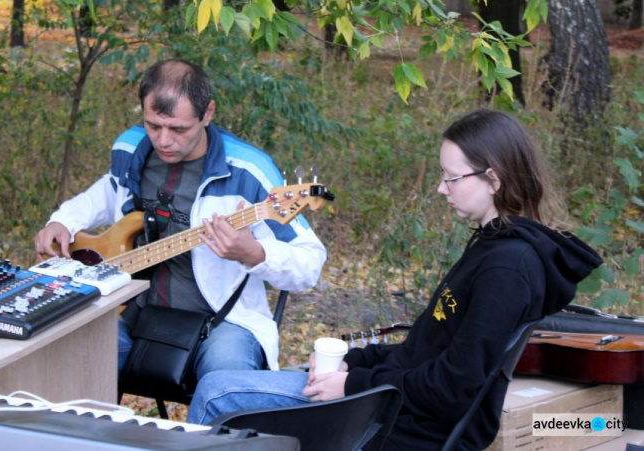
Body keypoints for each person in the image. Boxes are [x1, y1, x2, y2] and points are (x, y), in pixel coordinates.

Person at [186, 109, 603, 449]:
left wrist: (353, 384)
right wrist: (354, 361)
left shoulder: (508, 268)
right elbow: (425, 349)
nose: (442, 189)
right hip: (389, 401)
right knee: (224, 386)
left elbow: (453, 387)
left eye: (451, 178)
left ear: (492, 180)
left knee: (218, 391)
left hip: (401, 427)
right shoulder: (493, 246)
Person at [34, 58, 326, 379]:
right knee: (68, 351)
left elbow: (309, 264)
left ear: (208, 113)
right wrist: (62, 221)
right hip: (132, 312)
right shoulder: (133, 148)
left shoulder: (250, 171)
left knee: (225, 375)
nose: (163, 141)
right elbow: (105, 193)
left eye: (178, 128)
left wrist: (255, 254)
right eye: (153, 125)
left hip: (223, 321)